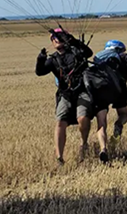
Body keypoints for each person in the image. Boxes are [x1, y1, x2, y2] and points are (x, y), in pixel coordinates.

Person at [35, 26, 95, 166]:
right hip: (65, 94)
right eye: (53, 38)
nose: (56, 40)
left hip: (82, 91)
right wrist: (40, 59)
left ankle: (84, 143)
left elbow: (88, 52)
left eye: (59, 37)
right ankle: (59, 157)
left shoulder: (76, 52)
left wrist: (73, 41)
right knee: (60, 122)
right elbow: (40, 72)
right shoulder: (53, 60)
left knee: (83, 117)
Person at [86, 39, 127, 147]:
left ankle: (103, 147)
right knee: (123, 114)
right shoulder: (119, 55)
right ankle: (118, 125)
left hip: (100, 89)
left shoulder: (98, 57)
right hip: (119, 89)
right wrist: (123, 75)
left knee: (102, 122)